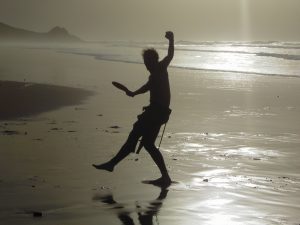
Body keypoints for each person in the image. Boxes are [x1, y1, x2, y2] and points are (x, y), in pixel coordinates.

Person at [93, 31, 174, 187]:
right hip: (157, 113)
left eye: (148, 61)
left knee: (135, 135)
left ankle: (112, 163)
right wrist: (133, 93)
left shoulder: (161, 68)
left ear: (154, 61)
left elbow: (170, 55)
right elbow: (146, 88)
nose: (147, 64)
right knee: (148, 144)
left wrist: (171, 39)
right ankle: (165, 177)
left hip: (156, 113)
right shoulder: (154, 75)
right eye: (145, 61)